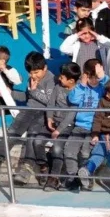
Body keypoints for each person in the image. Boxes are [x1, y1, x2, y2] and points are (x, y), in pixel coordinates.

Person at [0, 52, 52, 183]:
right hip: (29, 110)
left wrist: (34, 91)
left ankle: (27, 167)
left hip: (43, 113)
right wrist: (11, 93)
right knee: (13, 130)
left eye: (36, 72)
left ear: (44, 68)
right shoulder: (32, 79)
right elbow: (27, 96)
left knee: (32, 135)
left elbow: (50, 101)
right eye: (30, 73)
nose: (33, 76)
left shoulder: (51, 80)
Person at [60, 58, 105, 190]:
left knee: (86, 153)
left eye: (96, 77)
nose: (94, 80)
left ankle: (87, 178)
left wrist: (102, 77)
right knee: (69, 151)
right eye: (91, 76)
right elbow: (73, 99)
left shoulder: (103, 88)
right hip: (80, 126)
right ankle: (72, 177)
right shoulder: (81, 87)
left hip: (95, 128)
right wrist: (82, 85)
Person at [43, 62, 82, 191]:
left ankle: (54, 178)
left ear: (71, 80)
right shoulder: (58, 87)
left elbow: (72, 114)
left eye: (62, 77)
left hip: (68, 125)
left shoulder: (77, 92)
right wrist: (49, 118)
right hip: (55, 122)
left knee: (57, 149)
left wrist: (59, 130)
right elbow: (51, 104)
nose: (59, 79)